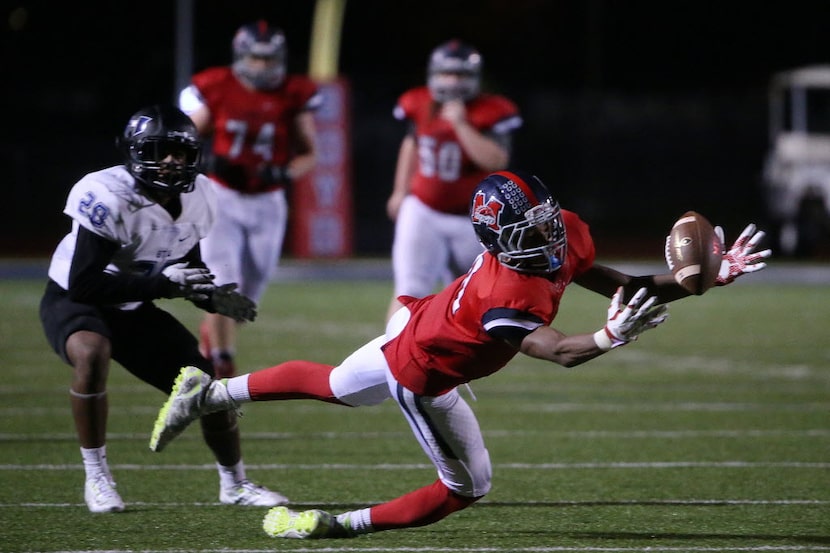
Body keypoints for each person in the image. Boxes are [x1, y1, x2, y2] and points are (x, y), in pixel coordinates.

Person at [149, 170, 771, 538]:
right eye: (532, 232)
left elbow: (614, 284)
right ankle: (333, 526)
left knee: (336, 383)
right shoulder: (506, 293)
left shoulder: (564, 235)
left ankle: (205, 393)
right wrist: (611, 337)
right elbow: (557, 351)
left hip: (419, 319)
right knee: (467, 488)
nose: (551, 238)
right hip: (424, 370)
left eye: (549, 221)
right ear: (500, 242)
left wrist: (703, 280)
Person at [39, 104, 289, 513]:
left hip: (134, 305)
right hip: (76, 299)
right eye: (159, 150)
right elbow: (85, 283)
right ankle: (97, 477)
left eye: (181, 152)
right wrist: (164, 285)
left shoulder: (200, 197)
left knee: (207, 386)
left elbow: (188, 262)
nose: (172, 161)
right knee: (91, 351)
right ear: (135, 153)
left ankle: (235, 484)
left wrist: (212, 296)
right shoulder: (107, 194)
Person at [178, 19, 322, 377]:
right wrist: (204, 160)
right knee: (224, 281)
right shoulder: (219, 86)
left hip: (267, 201)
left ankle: (212, 336)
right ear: (242, 56)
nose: (262, 66)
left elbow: (309, 153)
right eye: (256, 58)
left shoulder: (293, 93)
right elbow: (184, 137)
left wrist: (284, 172)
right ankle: (222, 361)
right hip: (222, 196)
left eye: (268, 59)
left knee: (248, 297)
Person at [385, 39, 523, 322]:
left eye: (460, 75)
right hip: (423, 209)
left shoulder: (491, 109)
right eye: (447, 74)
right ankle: (392, 353)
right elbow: (411, 143)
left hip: (475, 219)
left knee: (477, 293)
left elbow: (496, 161)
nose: (452, 81)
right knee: (409, 290)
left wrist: (460, 124)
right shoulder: (419, 102)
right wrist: (400, 190)